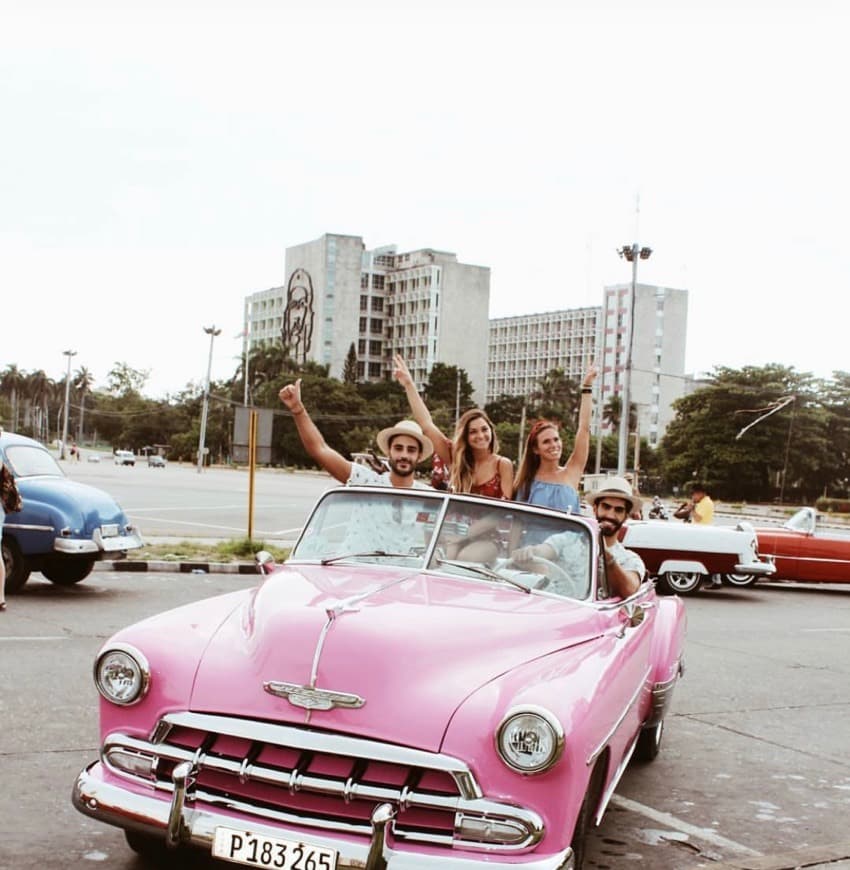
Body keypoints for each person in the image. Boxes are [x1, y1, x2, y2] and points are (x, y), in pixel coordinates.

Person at [392, 354, 513, 498]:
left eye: (484, 429)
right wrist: (409, 385)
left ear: (492, 431)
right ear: (465, 436)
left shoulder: (503, 464)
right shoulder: (456, 458)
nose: (480, 435)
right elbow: (426, 425)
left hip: (493, 521)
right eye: (473, 432)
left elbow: (507, 508)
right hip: (454, 520)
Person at [278, 378, 433, 489]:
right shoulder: (367, 482)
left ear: (419, 456)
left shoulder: (430, 498)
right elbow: (320, 450)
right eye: (398, 448)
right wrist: (298, 410)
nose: (404, 455)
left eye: (411, 450)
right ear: (389, 452)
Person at [511, 476, 645, 599]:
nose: (610, 514)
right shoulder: (568, 539)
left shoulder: (630, 559)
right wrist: (530, 552)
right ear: (595, 509)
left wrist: (608, 558)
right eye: (606, 507)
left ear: (626, 516)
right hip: (552, 605)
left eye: (618, 510)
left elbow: (630, 589)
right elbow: (543, 550)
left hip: (595, 618)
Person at [512, 364, 599, 513]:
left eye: (556, 439)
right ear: (535, 449)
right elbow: (518, 523)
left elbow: (584, 428)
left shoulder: (571, 472)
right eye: (546, 441)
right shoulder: (525, 483)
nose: (554, 445)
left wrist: (587, 386)